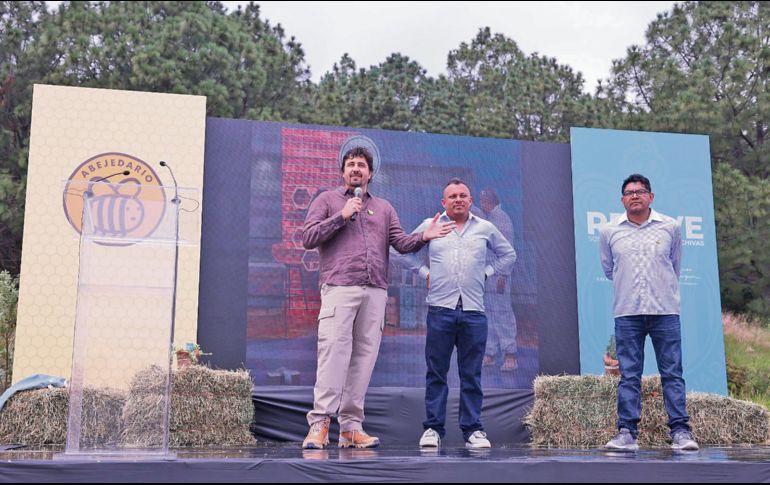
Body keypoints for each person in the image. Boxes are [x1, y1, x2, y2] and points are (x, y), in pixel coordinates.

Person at [300, 137, 454, 449]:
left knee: (363, 359)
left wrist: (424, 236)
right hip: (339, 287)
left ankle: (351, 428)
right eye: (351, 165)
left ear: (371, 173)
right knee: (333, 355)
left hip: (375, 292)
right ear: (343, 172)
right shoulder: (328, 200)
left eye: (361, 165)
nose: (356, 169)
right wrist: (342, 215)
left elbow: (401, 242)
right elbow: (308, 237)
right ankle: (319, 424)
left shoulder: (384, 208)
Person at [400, 178, 516, 449]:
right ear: (443, 202)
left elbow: (508, 255)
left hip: (474, 312)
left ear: (471, 200)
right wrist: (423, 272)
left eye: (463, 195)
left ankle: (473, 430)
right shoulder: (432, 225)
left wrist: (487, 273)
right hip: (440, 310)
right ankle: (432, 429)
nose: (458, 199)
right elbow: (400, 250)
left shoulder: (486, 228)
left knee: (471, 374)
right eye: (452, 196)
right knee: (436, 373)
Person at [600, 174, 699, 452]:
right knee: (629, 375)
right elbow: (610, 270)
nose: (635, 195)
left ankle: (680, 432)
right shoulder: (610, 231)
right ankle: (626, 433)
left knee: (672, 373)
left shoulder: (670, 227)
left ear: (651, 197)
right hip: (627, 313)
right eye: (629, 192)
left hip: (665, 311)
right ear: (622, 199)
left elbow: (674, 266)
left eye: (641, 191)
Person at [478, 188, 518, 372]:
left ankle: (510, 354)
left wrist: (503, 275)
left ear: (488, 200)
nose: (480, 203)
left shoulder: (501, 218)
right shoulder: (487, 218)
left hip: (499, 275)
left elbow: (508, 250)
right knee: (488, 314)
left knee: (502, 314)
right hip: (486, 275)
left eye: (482, 199)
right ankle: (491, 353)